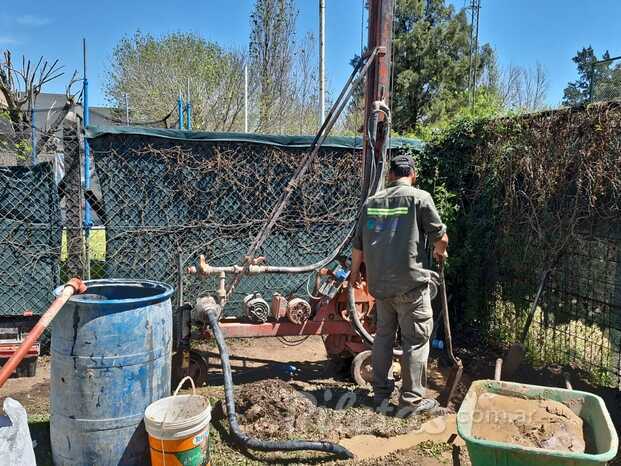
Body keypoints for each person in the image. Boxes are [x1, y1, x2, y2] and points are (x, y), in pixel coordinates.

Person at [349, 153, 448, 416]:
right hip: (411, 287)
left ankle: (380, 393)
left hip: (380, 287)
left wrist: (353, 275)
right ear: (412, 175)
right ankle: (411, 401)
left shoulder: (371, 203)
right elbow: (441, 237)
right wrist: (441, 251)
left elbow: (358, 247)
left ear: (390, 175)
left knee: (383, 337)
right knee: (415, 341)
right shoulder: (420, 198)